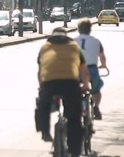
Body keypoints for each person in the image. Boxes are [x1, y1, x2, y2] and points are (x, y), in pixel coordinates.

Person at [37, 27, 90, 156]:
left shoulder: (44, 47)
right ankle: (74, 149)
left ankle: (44, 131)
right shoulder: (75, 47)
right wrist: (85, 85)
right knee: (74, 117)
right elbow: (83, 69)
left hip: (49, 84)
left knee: (43, 104)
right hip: (70, 84)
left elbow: (40, 71)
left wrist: (42, 87)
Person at [74, 18, 107, 120]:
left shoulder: (73, 42)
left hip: (77, 70)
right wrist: (103, 65)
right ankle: (96, 108)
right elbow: (102, 56)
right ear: (90, 29)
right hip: (92, 70)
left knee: (74, 88)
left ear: (78, 29)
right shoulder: (96, 41)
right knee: (97, 89)